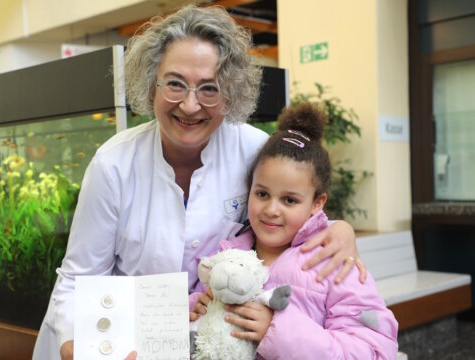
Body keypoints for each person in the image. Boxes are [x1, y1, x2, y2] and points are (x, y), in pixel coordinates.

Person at [32, 5, 366, 360]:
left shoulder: (253, 152)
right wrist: (80, 350)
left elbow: (300, 214)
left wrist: (340, 229)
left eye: (209, 89)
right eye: (175, 84)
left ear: (230, 93)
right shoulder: (113, 165)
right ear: (151, 86)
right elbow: (77, 281)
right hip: (119, 340)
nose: (190, 106)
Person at [189, 103, 398, 359]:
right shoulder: (226, 255)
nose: (271, 210)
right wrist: (196, 309)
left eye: (289, 200)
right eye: (262, 194)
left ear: (317, 203)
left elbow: (375, 350)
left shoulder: (335, 263)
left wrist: (276, 329)